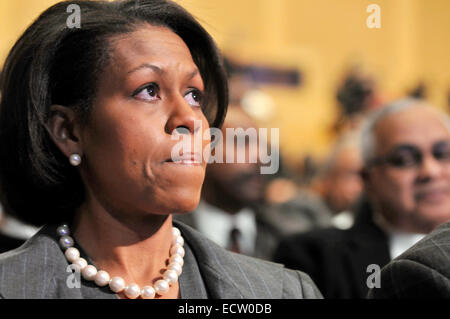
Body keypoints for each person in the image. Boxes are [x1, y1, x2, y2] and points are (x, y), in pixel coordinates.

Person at [0, 0, 321, 299]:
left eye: (194, 95)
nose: (189, 119)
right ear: (68, 131)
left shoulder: (282, 292)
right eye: (149, 91)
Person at [274, 98, 450, 298]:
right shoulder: (313, 256)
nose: (431, 171)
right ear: (368, 179)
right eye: (404, 159)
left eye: (443, 153)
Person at [175, 105, 282, 261]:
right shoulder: (167, 238)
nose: (261, 157)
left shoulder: (285, 237)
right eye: (242, 142)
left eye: (262, 145)